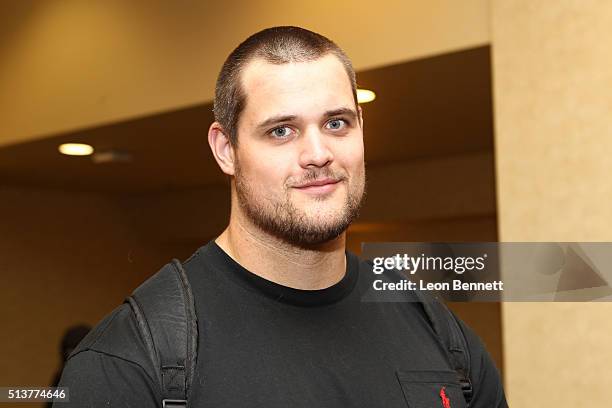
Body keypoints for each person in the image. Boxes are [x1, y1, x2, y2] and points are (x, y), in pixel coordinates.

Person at [56, 26, 507, 407]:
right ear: (226, 149)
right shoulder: (131, 361)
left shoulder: (435, 327)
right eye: (281, 130)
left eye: (336, 123)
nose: (317, 154)